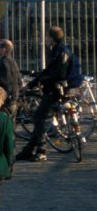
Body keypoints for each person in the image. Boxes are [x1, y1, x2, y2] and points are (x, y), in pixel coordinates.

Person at [18, 25, 74, 163]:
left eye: (47, 36)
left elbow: (55, 73)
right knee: (39, 117)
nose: (45, 39)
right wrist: (34, 82)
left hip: (55, 90)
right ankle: (29, 149)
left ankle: (41, 151)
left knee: (38, 118)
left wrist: (39, 80)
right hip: (56, 88)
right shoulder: (59, 50)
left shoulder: (60, 51)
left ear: (52, 38)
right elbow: (49, 70)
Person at [0, 39, 21, 118]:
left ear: (3, 50)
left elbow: (4, 82)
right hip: (12, 99)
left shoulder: (3, 63)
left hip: (5, 101)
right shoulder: (12, 61)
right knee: (9, 126)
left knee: (3, 125)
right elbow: (18, 80)